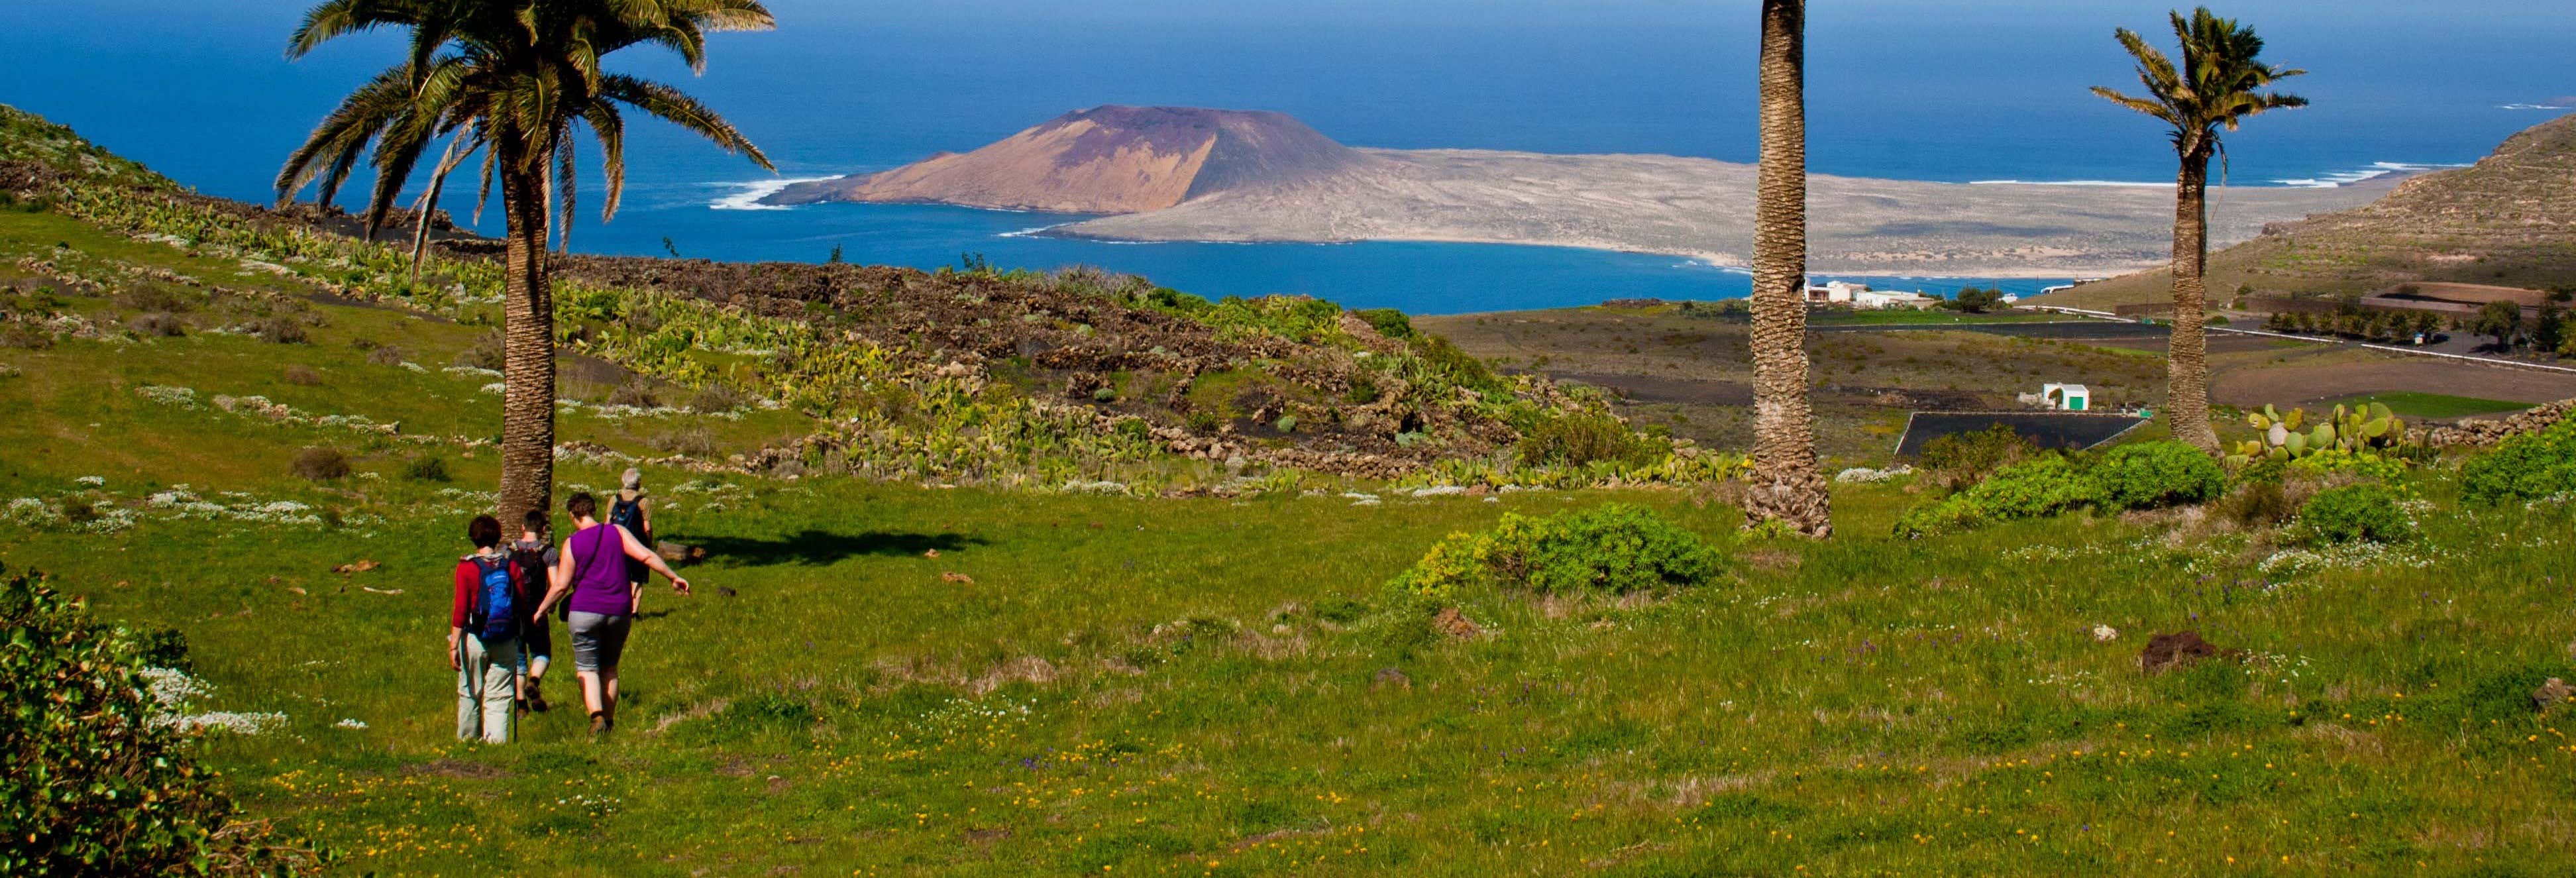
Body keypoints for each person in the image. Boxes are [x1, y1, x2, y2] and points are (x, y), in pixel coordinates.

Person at [535, 492, 690, 737]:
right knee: (609, 668)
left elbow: (561, 586)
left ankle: (596, 717)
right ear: (594, 510)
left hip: (584, 611)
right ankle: (609, 722)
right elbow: (647, 555)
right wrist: (674, 577)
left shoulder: (572, 543)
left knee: (587, 668)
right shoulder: (617, 532)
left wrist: (542, 609)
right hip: (619, 610)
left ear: (572, 516)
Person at [449, 515, 523, 743]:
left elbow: (461, 610)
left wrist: (454, 645)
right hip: (507, 638)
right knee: (499, 696)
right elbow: (520, 604)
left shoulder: (467, 568)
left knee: (471, 691)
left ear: (473, 538)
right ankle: (496, 744)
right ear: (498, 536)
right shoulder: (511, 566)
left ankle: (468, 742)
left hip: (475, 637)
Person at [508, 510, 559, 714]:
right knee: (542, 653)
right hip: (537, 610)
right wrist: (549, 607)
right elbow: (555, 585)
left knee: (519, 657)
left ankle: (521, 706)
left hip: (514, 611)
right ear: (543, 529)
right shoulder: (548, 552)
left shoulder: (508, 551)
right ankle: (535, 681)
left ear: (522, 527)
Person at [608, 468, 655, 611]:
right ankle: (634, 611)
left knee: (618, 575)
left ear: (623, 481)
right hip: (637, 544)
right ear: (639, 483)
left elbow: (607, 523)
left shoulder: (614, 499)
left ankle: (617, 606)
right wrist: (648, 544)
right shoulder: (643, 502)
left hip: (617, 543)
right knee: (637, 579)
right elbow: (647, 528)